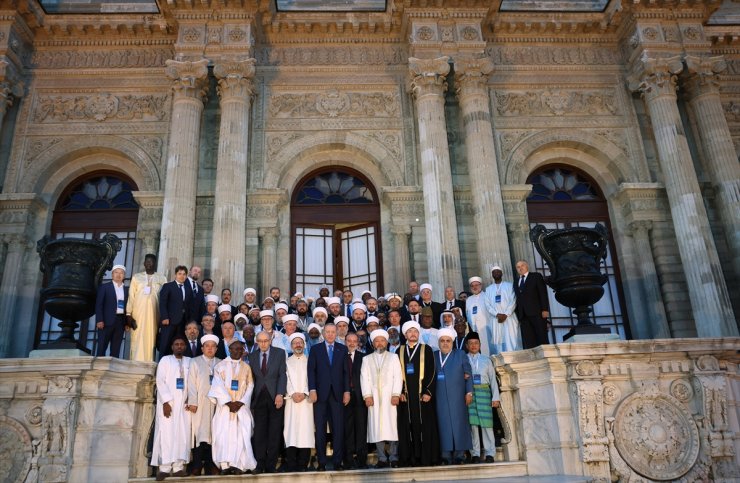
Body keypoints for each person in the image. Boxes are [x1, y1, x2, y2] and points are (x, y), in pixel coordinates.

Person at [209, 340, 257, 475]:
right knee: (224, 435)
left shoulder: (247, 367)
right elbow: (217, 386)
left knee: (241, 435)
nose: (237, 351)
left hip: (241, 408)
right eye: (234, 349)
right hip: (225, 408)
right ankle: (225, 465)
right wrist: (229, 402)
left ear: (243, 351)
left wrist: (241, 402)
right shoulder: (220, 366)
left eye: (240, 349)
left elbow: (250, 386)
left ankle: (239, 465)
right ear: (229, 350)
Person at [307, 323, 350, 471]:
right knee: (320, 430)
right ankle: (322, 462)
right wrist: (312, 389)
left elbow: (346, 373)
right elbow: (311, 371)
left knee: (338, 428)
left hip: (338, 394)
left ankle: (338, 461)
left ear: (336, 333)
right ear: (323, 334)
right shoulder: (315, 349)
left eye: (333, 332)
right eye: (328, 332)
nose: (330, 334)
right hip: (319, 394)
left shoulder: (342, 349)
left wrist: (347, 391)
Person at [397, 320, 439, 467]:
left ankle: (426, 458)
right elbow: (396, 374)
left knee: (424, 427)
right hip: (406, 397)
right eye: (410, 331)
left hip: (422, 396)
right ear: (405, 334)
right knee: (407, 427)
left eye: (415, 331)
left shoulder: (426, 349)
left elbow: (432, 371)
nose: (413, 334)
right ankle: (410, 458)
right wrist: (400, 391)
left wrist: (428, 391)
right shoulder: (399, 350)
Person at [361, 329, 403, 468]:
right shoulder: (366, 359)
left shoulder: (393, 357)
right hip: (373, 399)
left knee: (391, 427)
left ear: (386, 342)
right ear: (373, 343)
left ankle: (393, 456)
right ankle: (382, 458)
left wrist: (396, 394)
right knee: (376, 428)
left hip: (390, 398)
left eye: (382, 340)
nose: (379, 343)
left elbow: (398, 377)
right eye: (376, 341)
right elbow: (364, 378)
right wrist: (367, 396)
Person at [151, 336, 191, 481]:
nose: (179, 346)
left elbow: (192, 382)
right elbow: (160, 381)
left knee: (182, 434)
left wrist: (190, 398)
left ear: (185, 347)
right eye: (176, 344)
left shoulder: (189, 361)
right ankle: (164, 468)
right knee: (166, 434)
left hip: (184, 405)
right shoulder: (165, 360)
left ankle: (179, 467)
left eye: (182, 344)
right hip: (169, 404)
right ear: (172, 347)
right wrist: (166, 402)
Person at [248, 331, 287, 473]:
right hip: (258, 399)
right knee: (259, 433)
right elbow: (251, 378)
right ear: (257, 341)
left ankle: (271, 465)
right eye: (260, 341)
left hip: (274, 397)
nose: (263, 343)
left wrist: (280, 394)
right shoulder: (251, 357)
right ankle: (260, 464)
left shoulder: (280, 353)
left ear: (270, 340)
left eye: (266, 340)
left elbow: (282, 374)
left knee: (274, 432)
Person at [434, 328, 473, 465]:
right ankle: (445, 455)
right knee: (443, 425)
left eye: (448, 341)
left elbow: (468, 374)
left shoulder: (460, 354)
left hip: (458, 397)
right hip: (440, 398)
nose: (445, 343)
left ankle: (460, 455)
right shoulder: (434, 355)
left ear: (453, 342)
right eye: (442, 341)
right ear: (438, 342)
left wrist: (469, 392)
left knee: (459, 424)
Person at [186, 334, 220, 476]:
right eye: (207, 346)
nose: (210, 349)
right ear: (202, 348)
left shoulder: (221, 363)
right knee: (200, 434)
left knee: (214, 433)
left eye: (213, 346)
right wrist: (193, 402)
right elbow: (191, 384)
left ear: (216, 349)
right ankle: (197, 465)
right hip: (200, 403)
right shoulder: (195, 362)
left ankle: (212, 465)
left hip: (217, 404)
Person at [465, 332, 500, 464]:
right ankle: (475, 453)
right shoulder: (464, 359)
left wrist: (495, 398)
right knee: (473, 425)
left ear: (480, 345)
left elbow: (493, 380)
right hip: (470, 394)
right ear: (467, 345)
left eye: (476, 343)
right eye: (471, 343)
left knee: (487, 425)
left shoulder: (486, 360)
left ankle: (490, 453)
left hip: (484, 394)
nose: (474, 346)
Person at [126, 254, 167, 362]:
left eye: (151, 261)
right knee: (137, 336)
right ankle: (135, 363)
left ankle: (149, 362)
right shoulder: (136, 277)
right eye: (147, 261)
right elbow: (131, 296)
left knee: (151, 338)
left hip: (154, 314)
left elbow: (165, 298)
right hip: (138, 313)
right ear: (144, 263)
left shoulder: (162, 278)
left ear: (155, 264)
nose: (149, 263)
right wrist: (128, 314)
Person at [283, 333, 314, 472]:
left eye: (300, 342)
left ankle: (303, 464)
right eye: (295, 343)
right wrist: (292, 393)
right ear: (291, 346)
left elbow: (312, 378)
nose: (298, 345)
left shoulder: (310, 361)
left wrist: (305, 393)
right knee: (291, 432)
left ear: (304, 344)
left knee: (305, 432)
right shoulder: (286, 362)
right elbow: (286, 379)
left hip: (307, 402)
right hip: (291, 401)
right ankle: (291, 464)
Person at [343, 333, 368, 469]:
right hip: (344, 397)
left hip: (360, 397)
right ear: (345, 341)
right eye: (349, 341)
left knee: (361, 428)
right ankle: (348, 459)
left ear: (358, 343)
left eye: (354, 341)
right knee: (347, 429)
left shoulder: (363, 358)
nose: (352, 343)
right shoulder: (340, 356)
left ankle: (362, 459)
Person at [514, 260, 551, 349]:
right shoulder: (516, 281)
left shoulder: (536, 276)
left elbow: (543, 293)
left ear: (527, 266)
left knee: (542, 337)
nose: (520, 268)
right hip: (523, 316)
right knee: (529, 341)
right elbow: (517, 298)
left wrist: (545, 309)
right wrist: (518, 314)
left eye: (522, 265)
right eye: (518, 267)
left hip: (537, 312)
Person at [95, 264, 129, 357]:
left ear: (124, 275)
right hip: (106, 322)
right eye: (116, 272)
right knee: (102, 346)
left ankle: (113, 369)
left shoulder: (126, 290)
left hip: (120, 321)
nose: (118, 275)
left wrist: (127, 323)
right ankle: (98, 368)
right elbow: (99, 305)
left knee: (116, 348)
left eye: (121, 273)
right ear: (112, 274)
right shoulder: (105, 287)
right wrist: (99, 320)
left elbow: (127, 308)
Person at [485, 265, 521, 354]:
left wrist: (506, 314)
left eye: (498, 271)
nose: (496, 273)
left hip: (509, 317)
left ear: (501, 273)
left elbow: (513, 300)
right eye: (494, 272)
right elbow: (488, 305)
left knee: (511, 340)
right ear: (492, 275)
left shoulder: (509, 286)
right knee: (498, 341)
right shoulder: (488, 289)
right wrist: (497, 314)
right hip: (496, 318)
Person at [158, 265, 193, 357]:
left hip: (182, 322)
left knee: (180, 346)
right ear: (175, 275)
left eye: (184, 274)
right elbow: (162, 303)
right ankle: (162, 366)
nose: (182, 276)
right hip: (169, 321)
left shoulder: (188, 289)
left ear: (186, 276)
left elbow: (188, 305)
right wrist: (164, 317)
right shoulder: (168, 286)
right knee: (165, 345)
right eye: (179, 274)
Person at [465, 276, 493, 357]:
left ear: (481, 285)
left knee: (489, 348)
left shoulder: (487, 296)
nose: (474, 287)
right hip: (475, 329)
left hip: (487, 328)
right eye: (472, 286)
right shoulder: (468, 299)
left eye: (476, 285)